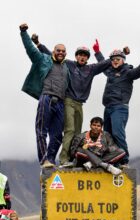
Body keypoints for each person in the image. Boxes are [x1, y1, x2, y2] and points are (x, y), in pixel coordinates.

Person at [31, 34, 111, 167]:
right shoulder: (68, 64)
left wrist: (118, 54)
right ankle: (63, 159)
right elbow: (49, 53)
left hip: (80, 104)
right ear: (76, 56)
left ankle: (73, 158)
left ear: (87, 58)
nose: (82, 56)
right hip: (68, 101)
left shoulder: (91, 69)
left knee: (78, 134)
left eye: (85, 55)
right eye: (80, 54)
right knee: (69, 130)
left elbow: (105, 63)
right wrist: (38, 44)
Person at [93, 41, 140, 167]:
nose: (115, 61)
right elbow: (103, 61)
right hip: (108, 107)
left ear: (123, 60)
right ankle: (111, 159)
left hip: (119, 107)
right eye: (113, 59)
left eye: (118, 59)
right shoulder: (109, 72)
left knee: (117, 133)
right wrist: (97, 52)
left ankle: (124, 160)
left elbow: (139, 72)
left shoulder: (128, 72)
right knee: (107, 135)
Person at [20, 24, 70, 168]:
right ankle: (44, 161)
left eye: (63, 51)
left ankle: (51, 160)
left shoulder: (66, 67)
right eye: (58, 50)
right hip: (46, 98)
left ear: (65, 53)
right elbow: (30, 49)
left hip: (60, 103)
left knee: (57, 136)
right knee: (41, 131)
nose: (60, 52)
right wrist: (24, 33)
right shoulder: (43, 59)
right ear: (53, 51)